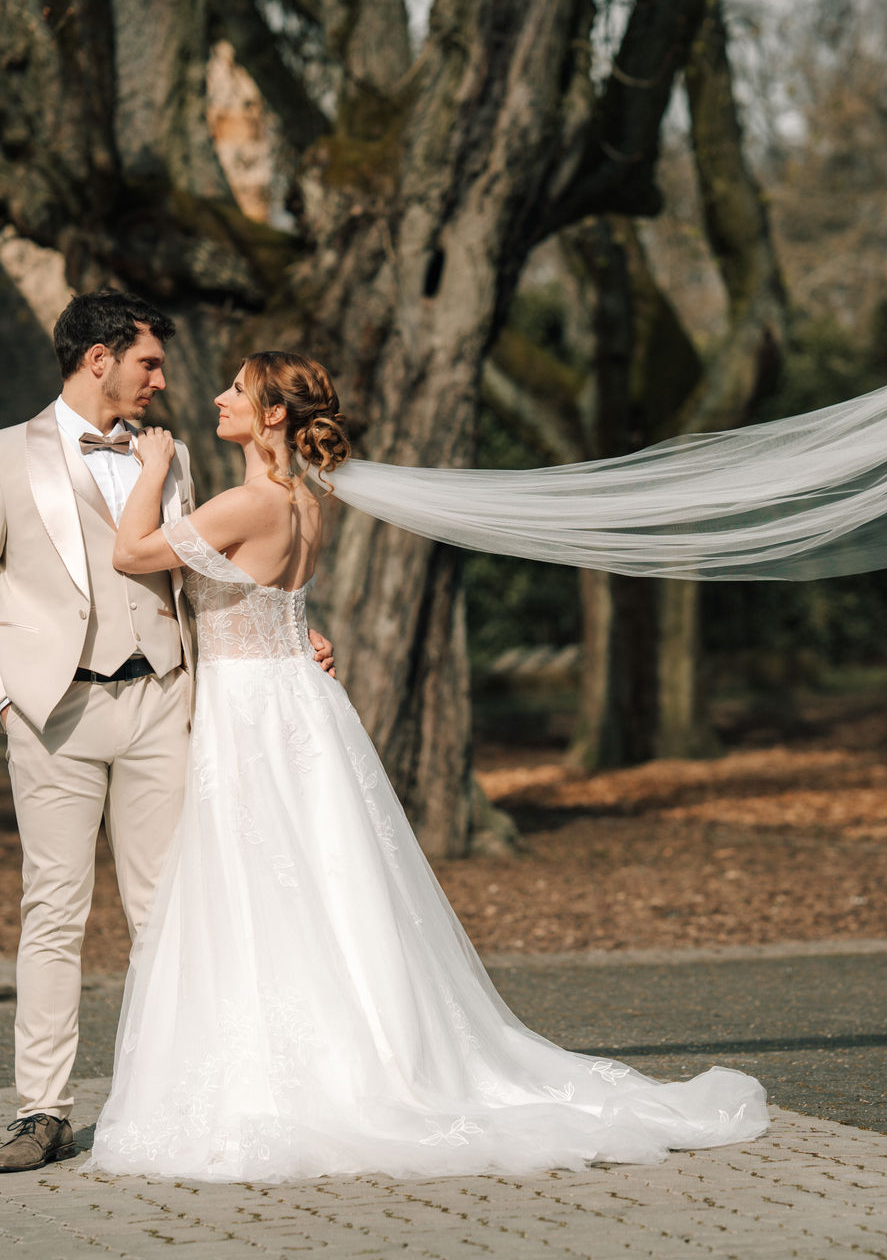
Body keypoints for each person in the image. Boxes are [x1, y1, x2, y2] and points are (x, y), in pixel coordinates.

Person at [88, 352, 768, 1183]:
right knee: (326, 884)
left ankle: (313, 1074)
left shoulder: (246, 501)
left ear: (272, 415)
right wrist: (306, 636)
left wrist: (152, 470)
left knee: (264, 883)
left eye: (238, 390)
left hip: (256, 715)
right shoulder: (308, 501)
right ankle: (358, 1046)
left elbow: (131, 555)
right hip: (297, 699)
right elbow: (274, 603)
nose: (221, 398)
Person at [0, 293, 335, 1174]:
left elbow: (205, 569)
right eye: (148, 363)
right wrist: (1, 695)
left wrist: (282, 625)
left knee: (167, 910)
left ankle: (175, 1098)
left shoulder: (177, 455)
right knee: (54, 911)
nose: (162, 380)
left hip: (164, 701)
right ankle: (43, 1111)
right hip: (54, 712)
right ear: (98, 360)